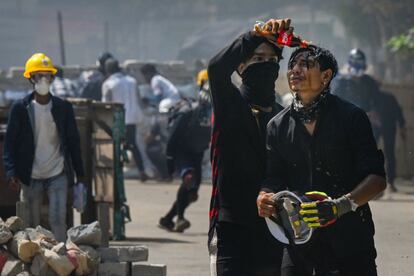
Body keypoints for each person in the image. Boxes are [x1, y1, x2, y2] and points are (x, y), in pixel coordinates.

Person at [257, 45, 386, 275]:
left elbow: (376, 179)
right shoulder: (277, 126)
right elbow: (273, 178)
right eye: (292, 65)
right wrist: (264, 196)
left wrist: (339, 207)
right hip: (299, 240)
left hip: (350, 239)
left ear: (326, 76)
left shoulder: (352, 118)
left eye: (305, 64)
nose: (295, 70)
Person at [207, 18, 291, 276]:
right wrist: (256, 35)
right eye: (257, 59)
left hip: (274, 226)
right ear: (240, 66)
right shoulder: (230, 105)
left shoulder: (283, 117)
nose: (265, 65)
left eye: (271, 60)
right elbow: (216, 69)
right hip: (233, 226)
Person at [3, 53, 85, 242]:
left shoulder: (63, 108)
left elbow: (73, 142)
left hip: (57, 172)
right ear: (31, 79)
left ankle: (60, 257)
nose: (43, 80)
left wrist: (79, 174)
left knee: (57, 219)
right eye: (38, 76)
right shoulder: (20, 109)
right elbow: (10, 144)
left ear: (52, 78)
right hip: (30, 175)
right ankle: (34, 263)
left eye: (47, 76)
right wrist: (11, 172)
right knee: (31, 223)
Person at [158, 70, 212, 233]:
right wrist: (169, 160)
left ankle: (167, 219)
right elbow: (173, 137)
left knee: (192, 193)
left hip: (197, 152)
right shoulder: (189, 111)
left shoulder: (214, 109)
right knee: (189, 179)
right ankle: (180, 218)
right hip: (182, 151)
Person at [102, 58, 148, 182]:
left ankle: (117, 172)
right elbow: (138, 100)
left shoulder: (108, 84)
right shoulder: (132, 81)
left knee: (116, 145)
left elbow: (105, 105)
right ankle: (142, 170)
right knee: (133, 145)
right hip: (132, 118)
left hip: (118, 119)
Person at [331, 48, 381, 136]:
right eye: (354, 63)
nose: (357, 66)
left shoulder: (370, 82)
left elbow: (377, 100)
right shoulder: (342, 82)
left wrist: (374, 112)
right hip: (346, 122)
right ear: (349, 65)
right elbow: (334, 101)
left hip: (366, 123)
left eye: (359, 63)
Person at [376, 90, 406, 192]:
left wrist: (402, 126)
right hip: (377, 126)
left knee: (389, 154)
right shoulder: (370, 95)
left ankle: (391, 182)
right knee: (374, 154)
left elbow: (398, 111)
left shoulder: (388, 97)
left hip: (387, 126)